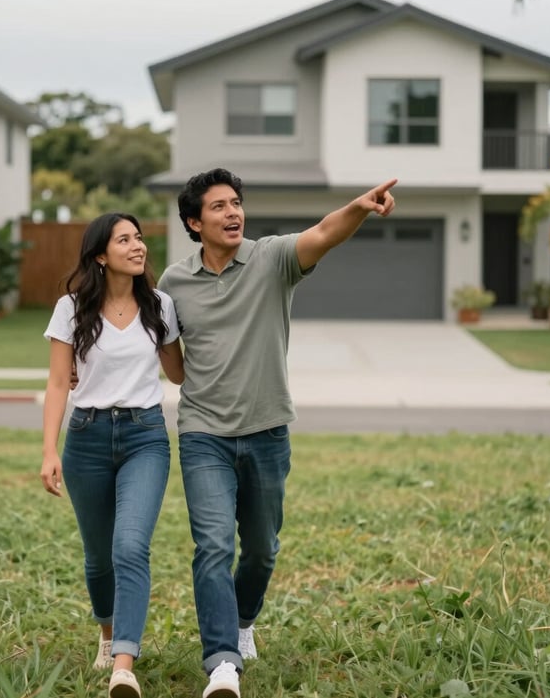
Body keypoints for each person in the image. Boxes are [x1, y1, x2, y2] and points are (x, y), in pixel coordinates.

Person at [157, 168, 396, 698]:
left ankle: (244, 620)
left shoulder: (271, 258)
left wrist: (358, 207)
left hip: (267, 431)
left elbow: (323, 233)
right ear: (195, 222)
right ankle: (222, 662)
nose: (232, 212)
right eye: (218, 206)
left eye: (236, 203)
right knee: (213, 545)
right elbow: (170, 365)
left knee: (261, 549)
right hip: (203, 434)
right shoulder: (172, 283)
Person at [40, 212, 184, 698]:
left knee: (130, 547)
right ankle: (106, 633)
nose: (138, 246)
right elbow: (60, 382)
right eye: (125, 240)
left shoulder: (160, 304)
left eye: (140, 238)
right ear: (102, 255)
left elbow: (179, 374)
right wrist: (49, 450)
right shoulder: (71, 307)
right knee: (99, 558)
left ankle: (124, 663)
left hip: (146, 436)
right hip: (87, 438)